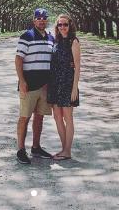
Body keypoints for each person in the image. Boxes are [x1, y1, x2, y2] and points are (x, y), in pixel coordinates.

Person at [15, 8, 55, 164]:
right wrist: (22, 81)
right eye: (38, 18)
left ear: (47, 20)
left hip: (45, 86)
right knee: (25, 117)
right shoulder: (27, 36)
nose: (41, 20)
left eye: (44, 18)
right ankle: (20, 150)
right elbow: (18, 60)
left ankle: (36, 147)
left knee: (39, 117)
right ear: (34, 21)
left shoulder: (51, 38)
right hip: (29, 85)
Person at [47, 14, 81, 160]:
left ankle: (68, 151)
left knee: (68, 118)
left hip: (67, 84)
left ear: (70, 25)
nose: (62, 27)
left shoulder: (74, 42)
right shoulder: (56, 41)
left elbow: (78, 66)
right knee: (57, 117)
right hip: (54, 83)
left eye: (65, 24)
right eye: (60, 25)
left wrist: (75, 88)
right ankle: (63, 149)